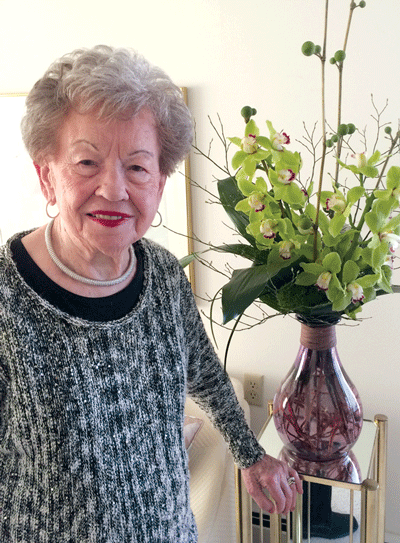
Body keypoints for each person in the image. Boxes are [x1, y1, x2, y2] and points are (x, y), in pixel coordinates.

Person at [0, 45, 302, 542]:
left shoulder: (161, 272)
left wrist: (252, 458)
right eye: (87, 162)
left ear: (159, 182)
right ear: (46, 174)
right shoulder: (9, 294)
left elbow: (203, 372)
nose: (114, 190)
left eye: (138, 168)